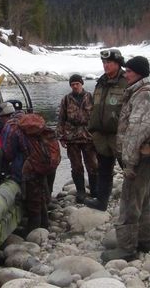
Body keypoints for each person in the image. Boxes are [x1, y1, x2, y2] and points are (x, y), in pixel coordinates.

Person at [100, 56, 150, 262]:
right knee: (142, 198)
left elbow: (137, 131)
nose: (126, 74)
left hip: (139, 158)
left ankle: (126, 248)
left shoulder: (142, 95)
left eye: (130, 71)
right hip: (145, 156)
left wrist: (129, 162)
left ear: (140, 73)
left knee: (129, 201)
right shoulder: (139, 91)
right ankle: (144, 240)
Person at [84, 48, 127, 211]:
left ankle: (134, 202)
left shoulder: (126, 81)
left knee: (128, 170)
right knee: (103, 170)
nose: (105, 65)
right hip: (101, 136)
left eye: (109, 62)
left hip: (120, 135)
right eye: (104, 62)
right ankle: (101, 202)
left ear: (118, 63)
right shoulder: (100, 82)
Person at [57, 74, 98, 203]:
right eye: (72, 84)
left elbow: (97, 117)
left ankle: (95, 190)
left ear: (82, 84)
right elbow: (61, 119)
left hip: (88, 137)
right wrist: (61, 137)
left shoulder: (91, 97)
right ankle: (80, 192)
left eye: (77, 84)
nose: (75, 86)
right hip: (72, 138)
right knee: (76, 166)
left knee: (92, 165)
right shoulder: (66, 99)